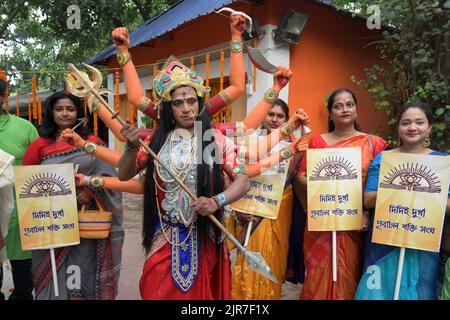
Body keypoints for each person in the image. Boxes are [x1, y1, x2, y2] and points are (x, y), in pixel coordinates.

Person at [22, 91, 124, 300]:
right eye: (59, 109)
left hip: (87, 218)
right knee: (53, 266)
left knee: (85, 260)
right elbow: (28, 181)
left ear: (78, 112)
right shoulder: (40, 145)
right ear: (51, 113)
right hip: (54, 219)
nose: (65, 113)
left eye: (70, 108)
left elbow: (110, 173)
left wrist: (90, 191)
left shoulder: (92, 141)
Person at [295, 88, 388, 299]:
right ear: (330, 113)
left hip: (357, 225)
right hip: (322, 221)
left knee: (351, 276)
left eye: (349, 104)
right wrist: (318, 201)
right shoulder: (317, 142)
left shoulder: (374, 144)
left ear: (356, 109)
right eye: (338, 106)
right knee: (318, 274)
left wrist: (366, 212)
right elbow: (300, 178)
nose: (344, 109)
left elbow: (383, 185)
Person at [354, 101, 449, 300]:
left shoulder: (442, 163)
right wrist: (397, 189)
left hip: (422, 243)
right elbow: (369, 200)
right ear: (398, 127)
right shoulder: (384, 158)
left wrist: (427, 194)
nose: (412, 127)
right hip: (384, 241)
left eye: (419, 122)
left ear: (429, 127)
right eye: (406, 122)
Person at [231, 99, 309, 299]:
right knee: (246, 259)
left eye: (280, 116)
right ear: (264, 116)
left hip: (277, 210)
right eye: (271, 114)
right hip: (249, 209)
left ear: (286, 119)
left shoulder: (294, 147)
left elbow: (292, 179)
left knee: (273, 259)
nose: (274, 119)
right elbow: (236, 175)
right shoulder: (249, 144)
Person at [0, 77, 39, 300]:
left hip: (20, 216)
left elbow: (39, 168)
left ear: (2, 98)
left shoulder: (23, 128)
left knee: (24, 284)